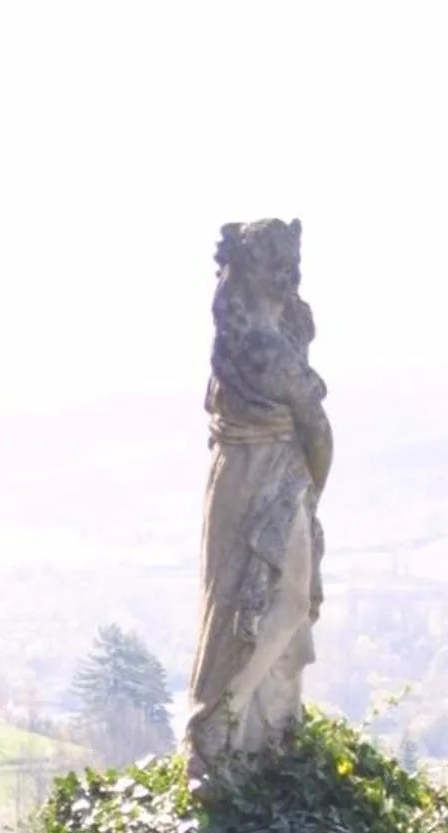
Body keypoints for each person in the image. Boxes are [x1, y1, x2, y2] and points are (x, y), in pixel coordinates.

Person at [185, 219, 333, 787]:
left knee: (266, 600)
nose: (288, 275)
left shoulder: (253, 339)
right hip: (267, 482)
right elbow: (318, 430)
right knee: (258, 599)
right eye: (279, 264)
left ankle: (253, 722)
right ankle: (222, 720)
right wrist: (313, 488)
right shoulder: (263, 350)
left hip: (257, 479)